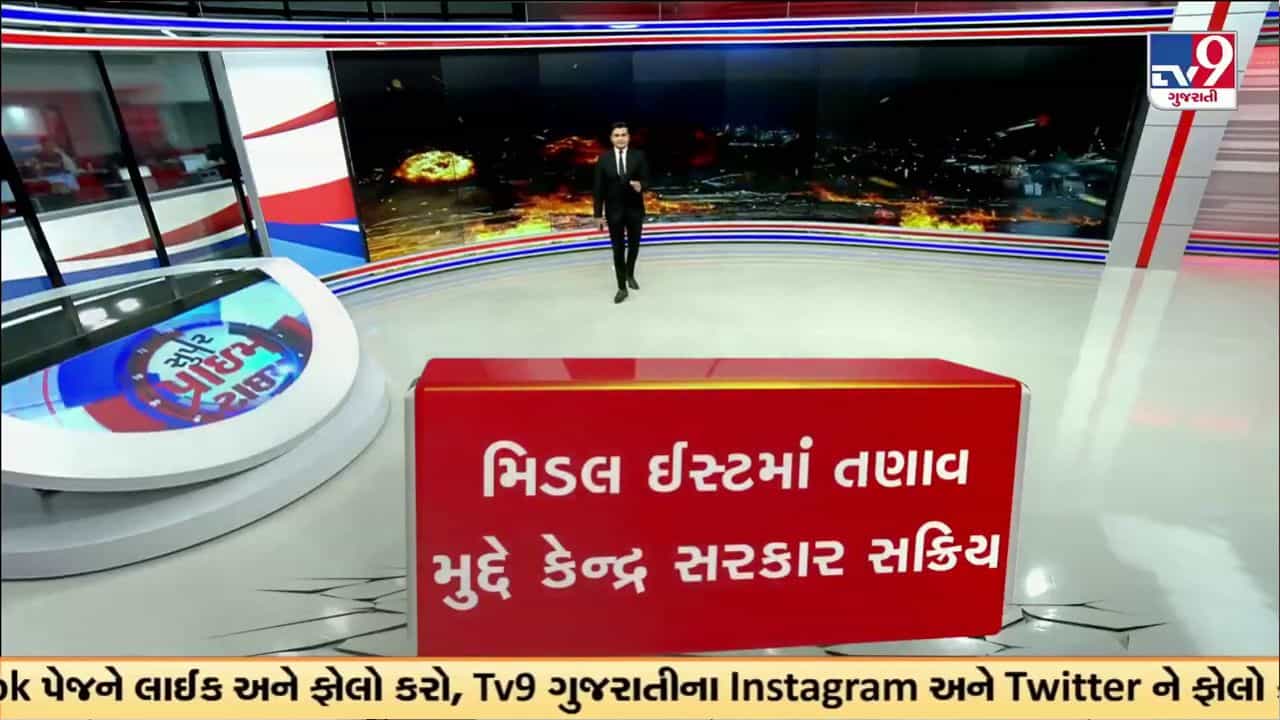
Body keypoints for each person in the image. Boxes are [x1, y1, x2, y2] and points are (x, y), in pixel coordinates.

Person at [593, 121, 649, 304]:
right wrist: (597, 215)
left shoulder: (638, 156)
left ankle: (630, 274)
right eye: (617, 135)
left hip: (635, 210)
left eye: (623, 135)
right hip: (614, 212)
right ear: (611, 138)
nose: (620, 138)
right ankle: (621, 287)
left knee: (634, 246)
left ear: (629, 137)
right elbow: (598, 189)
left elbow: (647, 180)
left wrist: (641, 186)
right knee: (618, 249)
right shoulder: (604, 159)